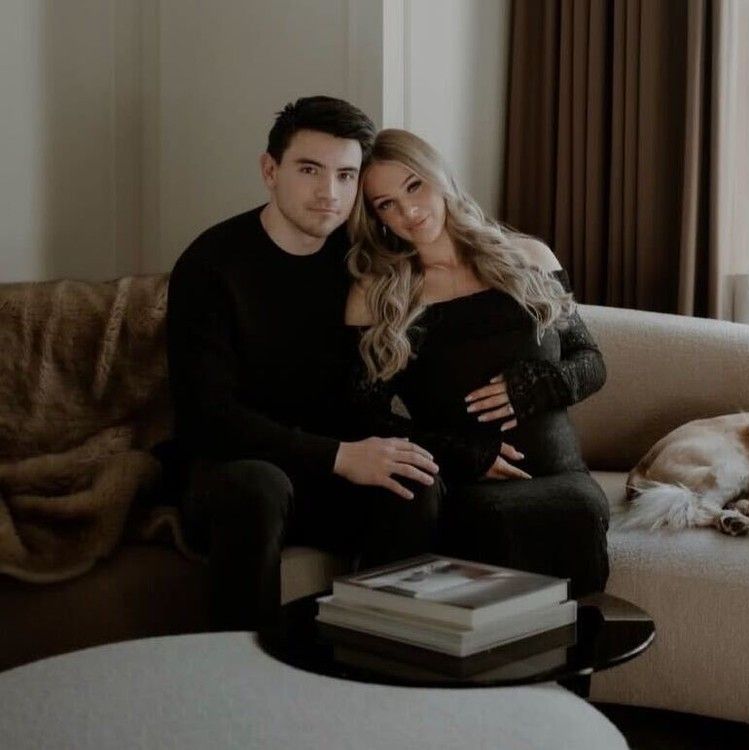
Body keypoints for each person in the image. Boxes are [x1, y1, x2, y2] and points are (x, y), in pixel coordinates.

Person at [167, 97, 450, 629]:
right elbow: (209, 418)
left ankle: (379, 660)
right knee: (260, 487)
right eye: (310, 170)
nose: (330, 192)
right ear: (270, 170)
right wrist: (338, 456)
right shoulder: (210, 265)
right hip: (230, 472)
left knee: (414, 480)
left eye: (347, 175)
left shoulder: (363, 259)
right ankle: (241, 680)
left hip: (325, 473)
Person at [344, 129, 610, 597]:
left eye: (414, 186)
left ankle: (561, 669)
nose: (408, 211)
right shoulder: (377, 294)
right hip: (465, 485)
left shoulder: (529, 257)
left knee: (578, 518)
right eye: (386, 204)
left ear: (440, 177)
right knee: (493, 526)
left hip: (561, 477)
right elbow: (360, 416)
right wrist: (461, 453)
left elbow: (591, 362)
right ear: (375, 217)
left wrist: (539, 384)